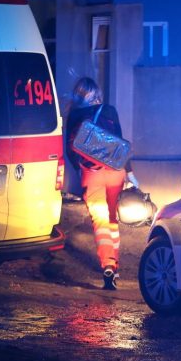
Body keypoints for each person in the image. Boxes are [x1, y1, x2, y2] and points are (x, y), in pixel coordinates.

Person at [66, 77, 138, 290]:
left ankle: (108, 264)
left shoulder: (74, 115)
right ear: (96, 93)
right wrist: (130, 173)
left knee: (100, 220)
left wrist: (80, 169)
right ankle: (115, 265)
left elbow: (71, 150)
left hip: (91, 174)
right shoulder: (109, 110)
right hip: (115, 172)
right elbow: (120, 145)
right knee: (112, 218)